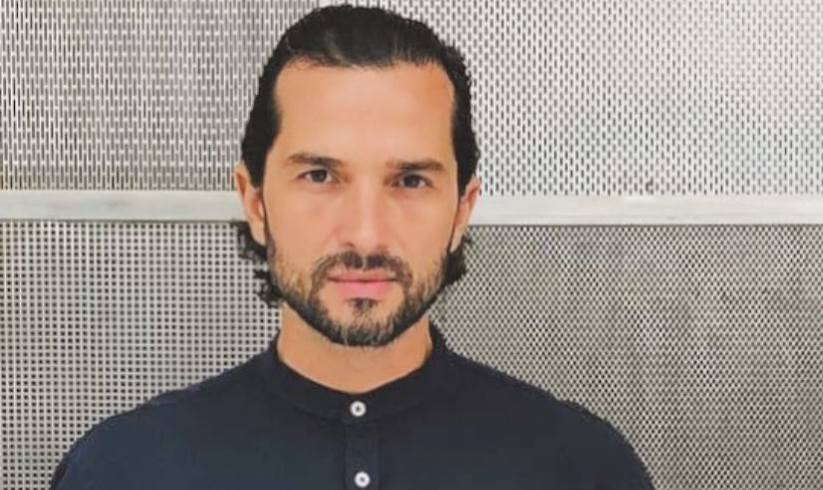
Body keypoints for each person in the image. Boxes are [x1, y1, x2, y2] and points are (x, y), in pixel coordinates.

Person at [50, 5, 654, 489]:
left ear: (461, 210)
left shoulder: (582, 469)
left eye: (410, 181)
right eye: (320, 176)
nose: (365, 235)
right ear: (255, 203)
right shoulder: (124, 470)